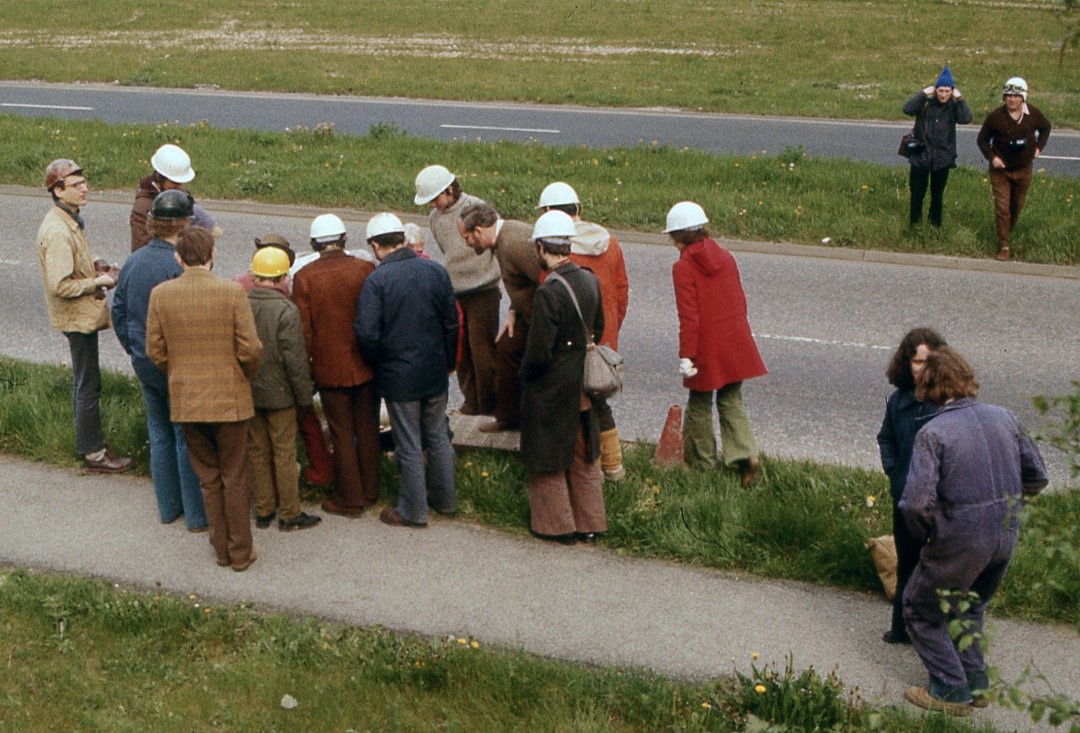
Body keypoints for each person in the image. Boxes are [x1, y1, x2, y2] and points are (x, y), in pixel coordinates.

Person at [900, 346, 1048, 716]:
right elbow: (1039, 476)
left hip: (961, 539)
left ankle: (950, 690)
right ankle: (978, 684)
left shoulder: (933, 433)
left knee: (920, 608)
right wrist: (1010, 504)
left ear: (928, 387)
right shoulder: (1005, 417)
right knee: (969, 606)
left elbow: (915, 503)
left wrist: (928, 535)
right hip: (1005, 534)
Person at [146, 226, 263, 571]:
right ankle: (241, 551)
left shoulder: (161, 295)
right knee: (235, 476)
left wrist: (178, 371)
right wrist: (244, 374)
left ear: (178, 257)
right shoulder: (231, 293)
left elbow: (155, 350)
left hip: (187, 399)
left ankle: (221, 547)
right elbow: (251, 348)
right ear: (213, 255)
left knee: (209, 478)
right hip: (230, 397)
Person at [355, 213, 459, 528]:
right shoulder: (435, 271)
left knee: (409, 442)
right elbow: (451, 323)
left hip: (399, 375)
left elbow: (368, 334)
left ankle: (413, 510)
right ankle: (445, 499)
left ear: (374, 245)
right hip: (434, 369)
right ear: (402, 238)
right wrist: (448, 360)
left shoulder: (377, 280)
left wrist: (379, 363)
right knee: (438, 435)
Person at [112, 190, 207, 531]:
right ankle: (196, 515)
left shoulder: (134, 261)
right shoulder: (178, 265)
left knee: (159, 433)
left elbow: (119, 311)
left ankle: (168, 509)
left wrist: (134, 348)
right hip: (177, 365)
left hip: (144, 360)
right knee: (185, 436)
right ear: (184, 224)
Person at [36, 158, 133, 474]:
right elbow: (60, 285)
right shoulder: (57, 231)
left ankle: (92, 447)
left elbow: (81, 254)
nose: (85, 189)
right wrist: (100, 281)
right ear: (58, 190)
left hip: (80, 314)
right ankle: (94, 454)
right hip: (76, 317)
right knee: (88, 384)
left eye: (84, 183)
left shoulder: (68, 219)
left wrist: (97, 262)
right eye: (76, 185)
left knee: (86, 381)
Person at [519, 210, 607, 544]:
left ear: (542, 247)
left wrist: (525, 375)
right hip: (583, 384)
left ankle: (557, 527)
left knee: (548, 458)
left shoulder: (548, 291)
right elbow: (596, 329)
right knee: (584, 456)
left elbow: (539, 351)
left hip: (554, 386)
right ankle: (590, 524)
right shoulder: (588, 278)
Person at [666, 202, 766, 486]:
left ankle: (702, 464)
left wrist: (687, 355)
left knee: (699, 403)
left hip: (706, 344)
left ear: (680, 237)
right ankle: (746, 455)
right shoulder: (726, 256)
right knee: (731, 399)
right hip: (735, 338)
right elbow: (740, 299)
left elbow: (689, 316)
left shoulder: (683, 267)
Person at [537, 181, 630, 480]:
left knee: (579, 405)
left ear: (550, 213)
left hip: (572, 342)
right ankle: (613, 466)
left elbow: (549, 299)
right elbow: (621, 291)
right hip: (604, 337)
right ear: (578, 209)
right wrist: (610, 330)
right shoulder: (609, 242)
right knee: (600, 399)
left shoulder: (557, 249)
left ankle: (589, 469)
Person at [292, 213, 381, 517]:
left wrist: (308, 368)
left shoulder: (304, 277)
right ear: (344, 239)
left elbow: (304, 332)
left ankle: (349, 497)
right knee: (368, 428)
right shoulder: (365, 269)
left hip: (329, 367)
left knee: (341, 431)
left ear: (315, 244)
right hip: (366, 363)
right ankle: (370, 490)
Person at [234, 234, 334, 488]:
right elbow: (294, 353)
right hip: (282, 385)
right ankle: (300, 494)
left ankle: (265, 504)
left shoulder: (240, 287)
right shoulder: (285, 302)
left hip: (253, 382)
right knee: (288, 447)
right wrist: (303, 394)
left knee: (258, 449)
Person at [875, 327, 947, 645]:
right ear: (907, 363)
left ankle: (933, 633)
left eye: (927, 361)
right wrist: (894, 474)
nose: (921, 368)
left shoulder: (946, 401)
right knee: (907, 563)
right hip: (905, 498)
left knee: (937, 566)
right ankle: (900, 628)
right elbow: (886, 438)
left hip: (939, 502)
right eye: (916, 362)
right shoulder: (898, 401)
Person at [245, 247, 322, 533]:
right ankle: (290, 512)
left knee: (257, 452)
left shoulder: (242, 303)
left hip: (250, 392)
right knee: (284, 454)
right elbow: (295, 360)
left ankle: (264, 510)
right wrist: (304, 398)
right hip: (281, 396)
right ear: (281, 279)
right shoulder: (286, 310)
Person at [414, 165, 500, 416]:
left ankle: (490, 406)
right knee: (461, 354)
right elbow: (446, 251)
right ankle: (471, 402)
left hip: (484, 290)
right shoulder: (434, 219)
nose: (432, 205)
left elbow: (495, 242)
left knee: (483, 354)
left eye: (434, 199)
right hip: (455, 292)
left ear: (449, 189)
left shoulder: (477, 208)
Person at [458, 203, 541, 433]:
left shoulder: (513, 243)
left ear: (479, 231)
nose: (467, 244)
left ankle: (526, 420)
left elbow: (546, 278)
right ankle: (508, 416)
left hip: (545, 316)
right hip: (526, 313)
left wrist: (544, 323)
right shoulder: (501, 241)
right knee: (505, 347)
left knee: (528, 361)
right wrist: (514, 309)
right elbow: (522, 281)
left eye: (467, 238)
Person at [976, 77, 1052, 261]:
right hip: (1001, 170)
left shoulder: (1033, 114)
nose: (1011, 100)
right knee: (1002, 208)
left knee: (1016, 206)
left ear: (1023, 98)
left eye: (1016, 96)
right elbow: (982, 139)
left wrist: (1039, 147)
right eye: (1008, 96)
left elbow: (1046, 127)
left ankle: (1007, 228)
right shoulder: (995, 117)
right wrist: (992, 157)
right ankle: (1004, 245)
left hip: (1024, 168)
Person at [902, 66, 972, 227]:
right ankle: (915, 225)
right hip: (921, 156)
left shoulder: (954, 106)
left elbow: (966, 118)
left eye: (947, 91)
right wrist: (922, 93)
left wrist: (960, 99)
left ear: (952, 91)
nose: (944, 95)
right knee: (917, 194)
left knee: (937, 195)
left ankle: (935, 225)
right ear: (935, 90)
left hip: (943, 158)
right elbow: (907, 108)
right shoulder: (926, 103)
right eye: (941, 91)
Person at [129, 144, 219, 251]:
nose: (178, 188)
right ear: (160, 177)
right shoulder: (143, 206)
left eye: (180, 183)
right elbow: (143, 248)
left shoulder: (183, 196)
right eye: (173, 182)